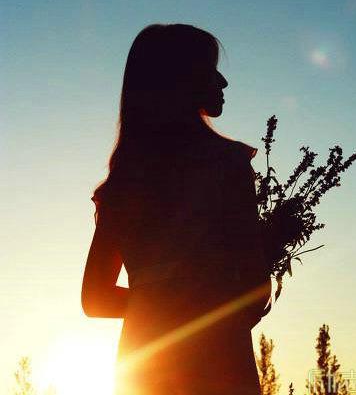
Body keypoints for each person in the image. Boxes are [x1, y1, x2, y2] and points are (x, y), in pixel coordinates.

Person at [81, 23, 272, 395]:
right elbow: (255, 287)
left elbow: (95, 298)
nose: (223, 82)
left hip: (143, 363)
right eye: (211, 70)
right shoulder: (226, 165)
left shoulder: (125, 183)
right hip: (219, 362)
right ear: (183, 79)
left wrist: (157, 304)